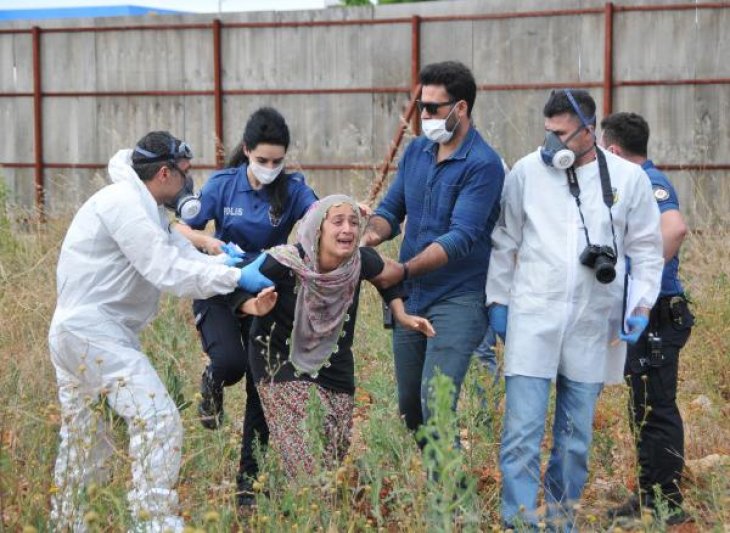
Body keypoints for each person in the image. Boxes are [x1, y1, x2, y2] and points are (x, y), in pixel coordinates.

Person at [47, 131, 273, 531]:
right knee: (157, 418)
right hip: (92, 333)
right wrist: (237, 277)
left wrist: (223, 264)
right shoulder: (124, 205)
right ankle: (154, 524)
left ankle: (67, 523)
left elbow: (179, 253)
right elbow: (166, 271)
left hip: (87, 334)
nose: (190, 185)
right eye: (185, 174)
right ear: (164, 172)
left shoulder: (144, 206)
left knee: (87, 443)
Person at [486, 90, 664, 530]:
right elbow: (505, 240)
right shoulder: (527, 172)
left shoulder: (628, 178)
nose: (552, 144)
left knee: (575, 440)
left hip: (591, 323)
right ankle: (521, 522)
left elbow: (646, 248)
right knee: (522, 435)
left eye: (562, 135)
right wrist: (499, 301)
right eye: (548, 132)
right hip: (532, 317)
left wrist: (641, 304)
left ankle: (560, 520)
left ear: (588, 131)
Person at [232, 195, 434, 478]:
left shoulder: (360, 261)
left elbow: (389, 279)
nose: (348, 230)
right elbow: (235, 286)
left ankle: (315, 510)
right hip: (281, 363)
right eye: (337, 222)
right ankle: (311, 513)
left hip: (334, 366)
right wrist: (254, 306)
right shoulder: (285, 261)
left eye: (354, 222)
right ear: (318, 229)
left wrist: (401, 314)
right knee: (307, 460)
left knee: (332, 456)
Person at [175, 108, 318, 505]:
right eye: (262, 160)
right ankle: (212, 383)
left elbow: (316, 216)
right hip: (220, 286)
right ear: (246, 151)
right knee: (230, 364)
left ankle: (247, 486)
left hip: (266, 291)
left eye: (277, 161)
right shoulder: (223, 185)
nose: (270, 168)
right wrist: (207, 242)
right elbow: (181, 227)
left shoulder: (291, 189)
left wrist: (344, 212)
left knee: (262, 389)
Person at [360, 61, 505, 447]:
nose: (424, 116)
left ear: (461, 109)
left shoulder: (484, 165)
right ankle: (441, 485)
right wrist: (367, 239)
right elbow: (391, 211)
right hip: (412, 296)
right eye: (421, 105)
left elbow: (460, 238)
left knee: (436, 404)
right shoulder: (417, 152)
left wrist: (402, 271)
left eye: (434, 108)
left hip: (458, 298)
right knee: (411, 408)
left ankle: (452, 504)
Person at [600, 112, 694, 524]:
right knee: (643, 407)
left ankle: (668, 505)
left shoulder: (650, 183)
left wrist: (644, 278)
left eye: (604, 151)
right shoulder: (633, 184)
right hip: (647, 314)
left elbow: (674, 229)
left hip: (657, 312)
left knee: (657, 407)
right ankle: (648, 494)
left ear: (615, 151)